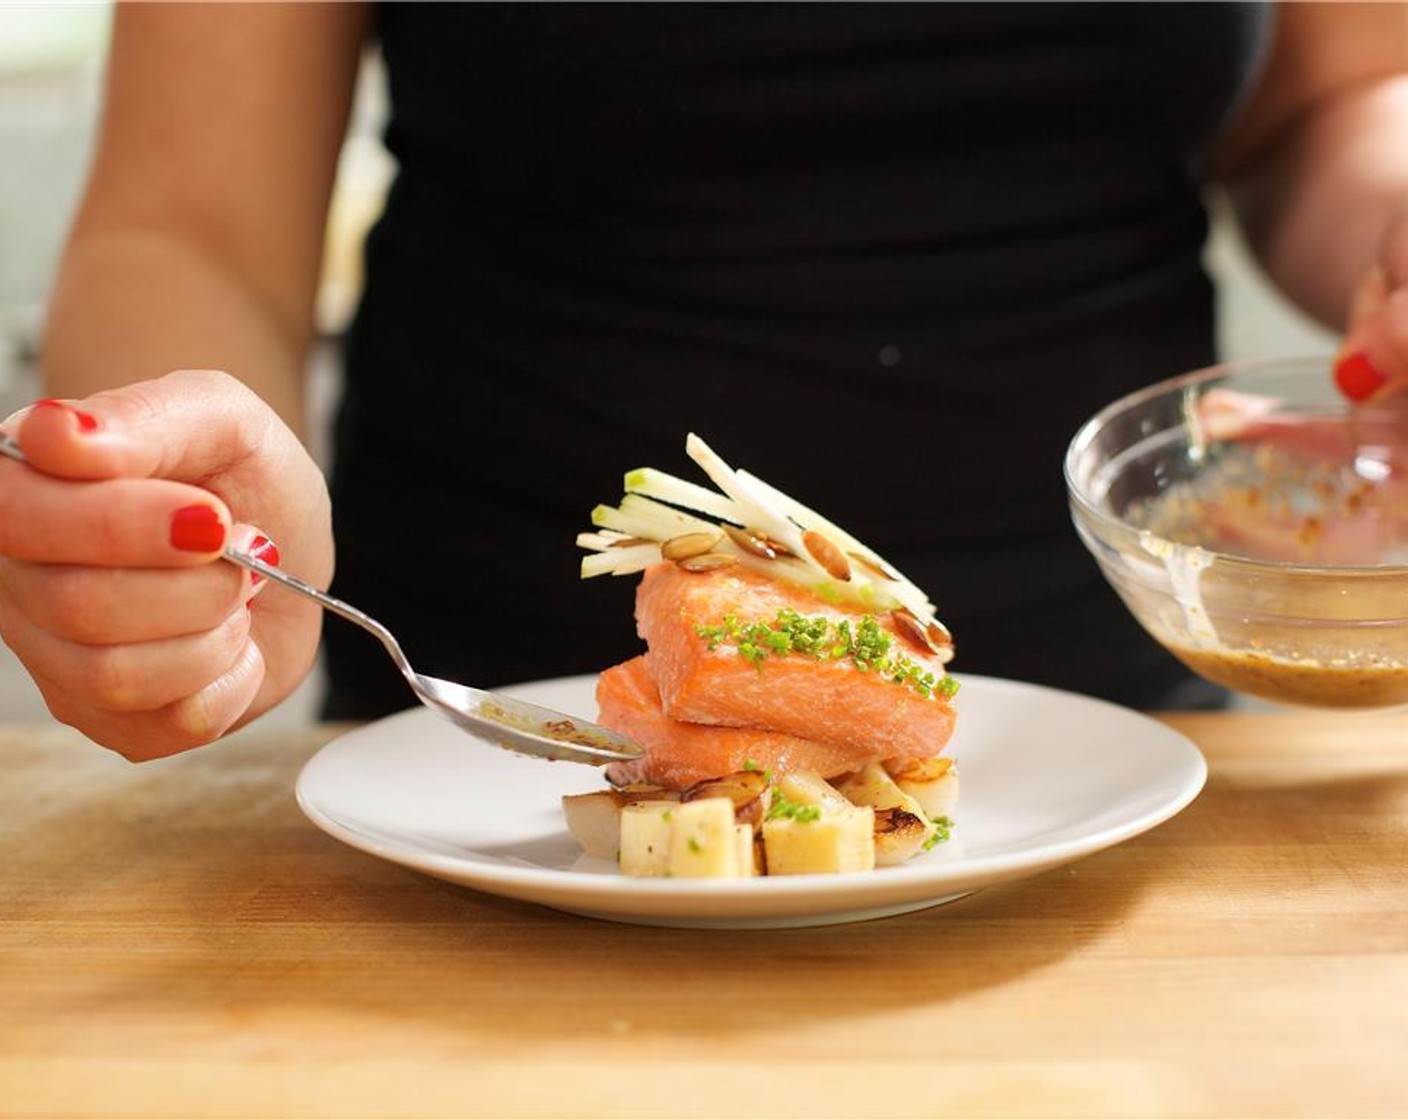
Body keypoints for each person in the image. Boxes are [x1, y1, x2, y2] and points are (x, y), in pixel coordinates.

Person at [2, 3, 1407, 761]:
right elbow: (190, 224)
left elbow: (1323, 101)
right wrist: (167, 507)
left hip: (1118, 746)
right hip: (499, 770)